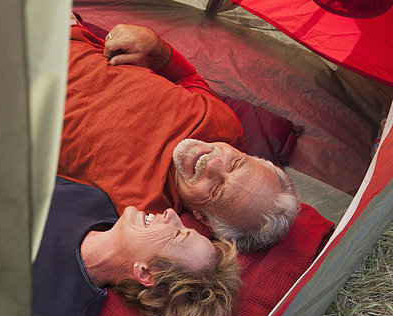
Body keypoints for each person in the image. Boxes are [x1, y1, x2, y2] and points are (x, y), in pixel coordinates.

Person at [58, 20, 300, 252]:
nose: (212, 162)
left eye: (216, 190)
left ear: (203, 218)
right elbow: (187, 79)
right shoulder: (224, 125)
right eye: (236, 163)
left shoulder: (144, 213)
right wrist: (154, 44)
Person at [31, 176, 240, 316]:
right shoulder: (94, 203)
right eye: (183, 226)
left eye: (177, 234)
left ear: (146, 273)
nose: (171, 214)